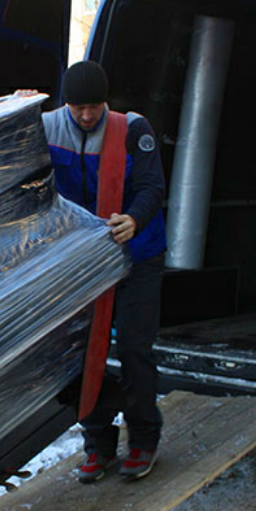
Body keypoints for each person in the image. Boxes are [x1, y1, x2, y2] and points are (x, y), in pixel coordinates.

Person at [41, 60, 167, 482]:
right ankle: (98, 442)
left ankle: (144, 440)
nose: (87, 116)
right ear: (66, 104)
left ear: (106, 102)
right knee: (81, 352)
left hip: (137, 254)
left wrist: (134, 218)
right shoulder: (45, 128)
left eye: (94, 106)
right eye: (78, 107)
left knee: (134, 348)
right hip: (83, 261)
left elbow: (152, 187)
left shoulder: (132, 130)